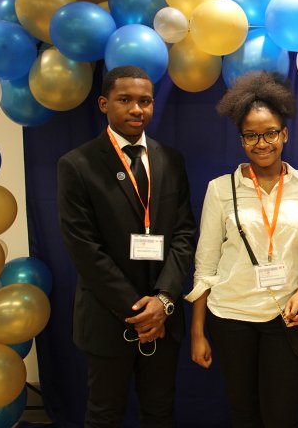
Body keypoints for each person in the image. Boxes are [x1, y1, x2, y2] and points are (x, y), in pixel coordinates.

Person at [57, 65, 197, 427]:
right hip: (108, 317)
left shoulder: (171, 159)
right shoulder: (77, 165)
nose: (137, 109)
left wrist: (163, 301)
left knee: (160, 411)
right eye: (126, 100)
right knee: (105, 414)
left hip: (163, 318)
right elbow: (84, 248)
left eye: (145, 101)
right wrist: (138, 311)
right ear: (104, 104)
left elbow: (184, 234)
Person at [185, 71, 298, 427]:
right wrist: (198, 331)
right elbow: (205, 265)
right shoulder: (220, 189)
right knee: (243, 413)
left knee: (281, 414)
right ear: (241, 139)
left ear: (285, 134)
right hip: (230, 316)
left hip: (285, 318)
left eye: (270, 133)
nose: (261, 143)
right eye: (251, 135)